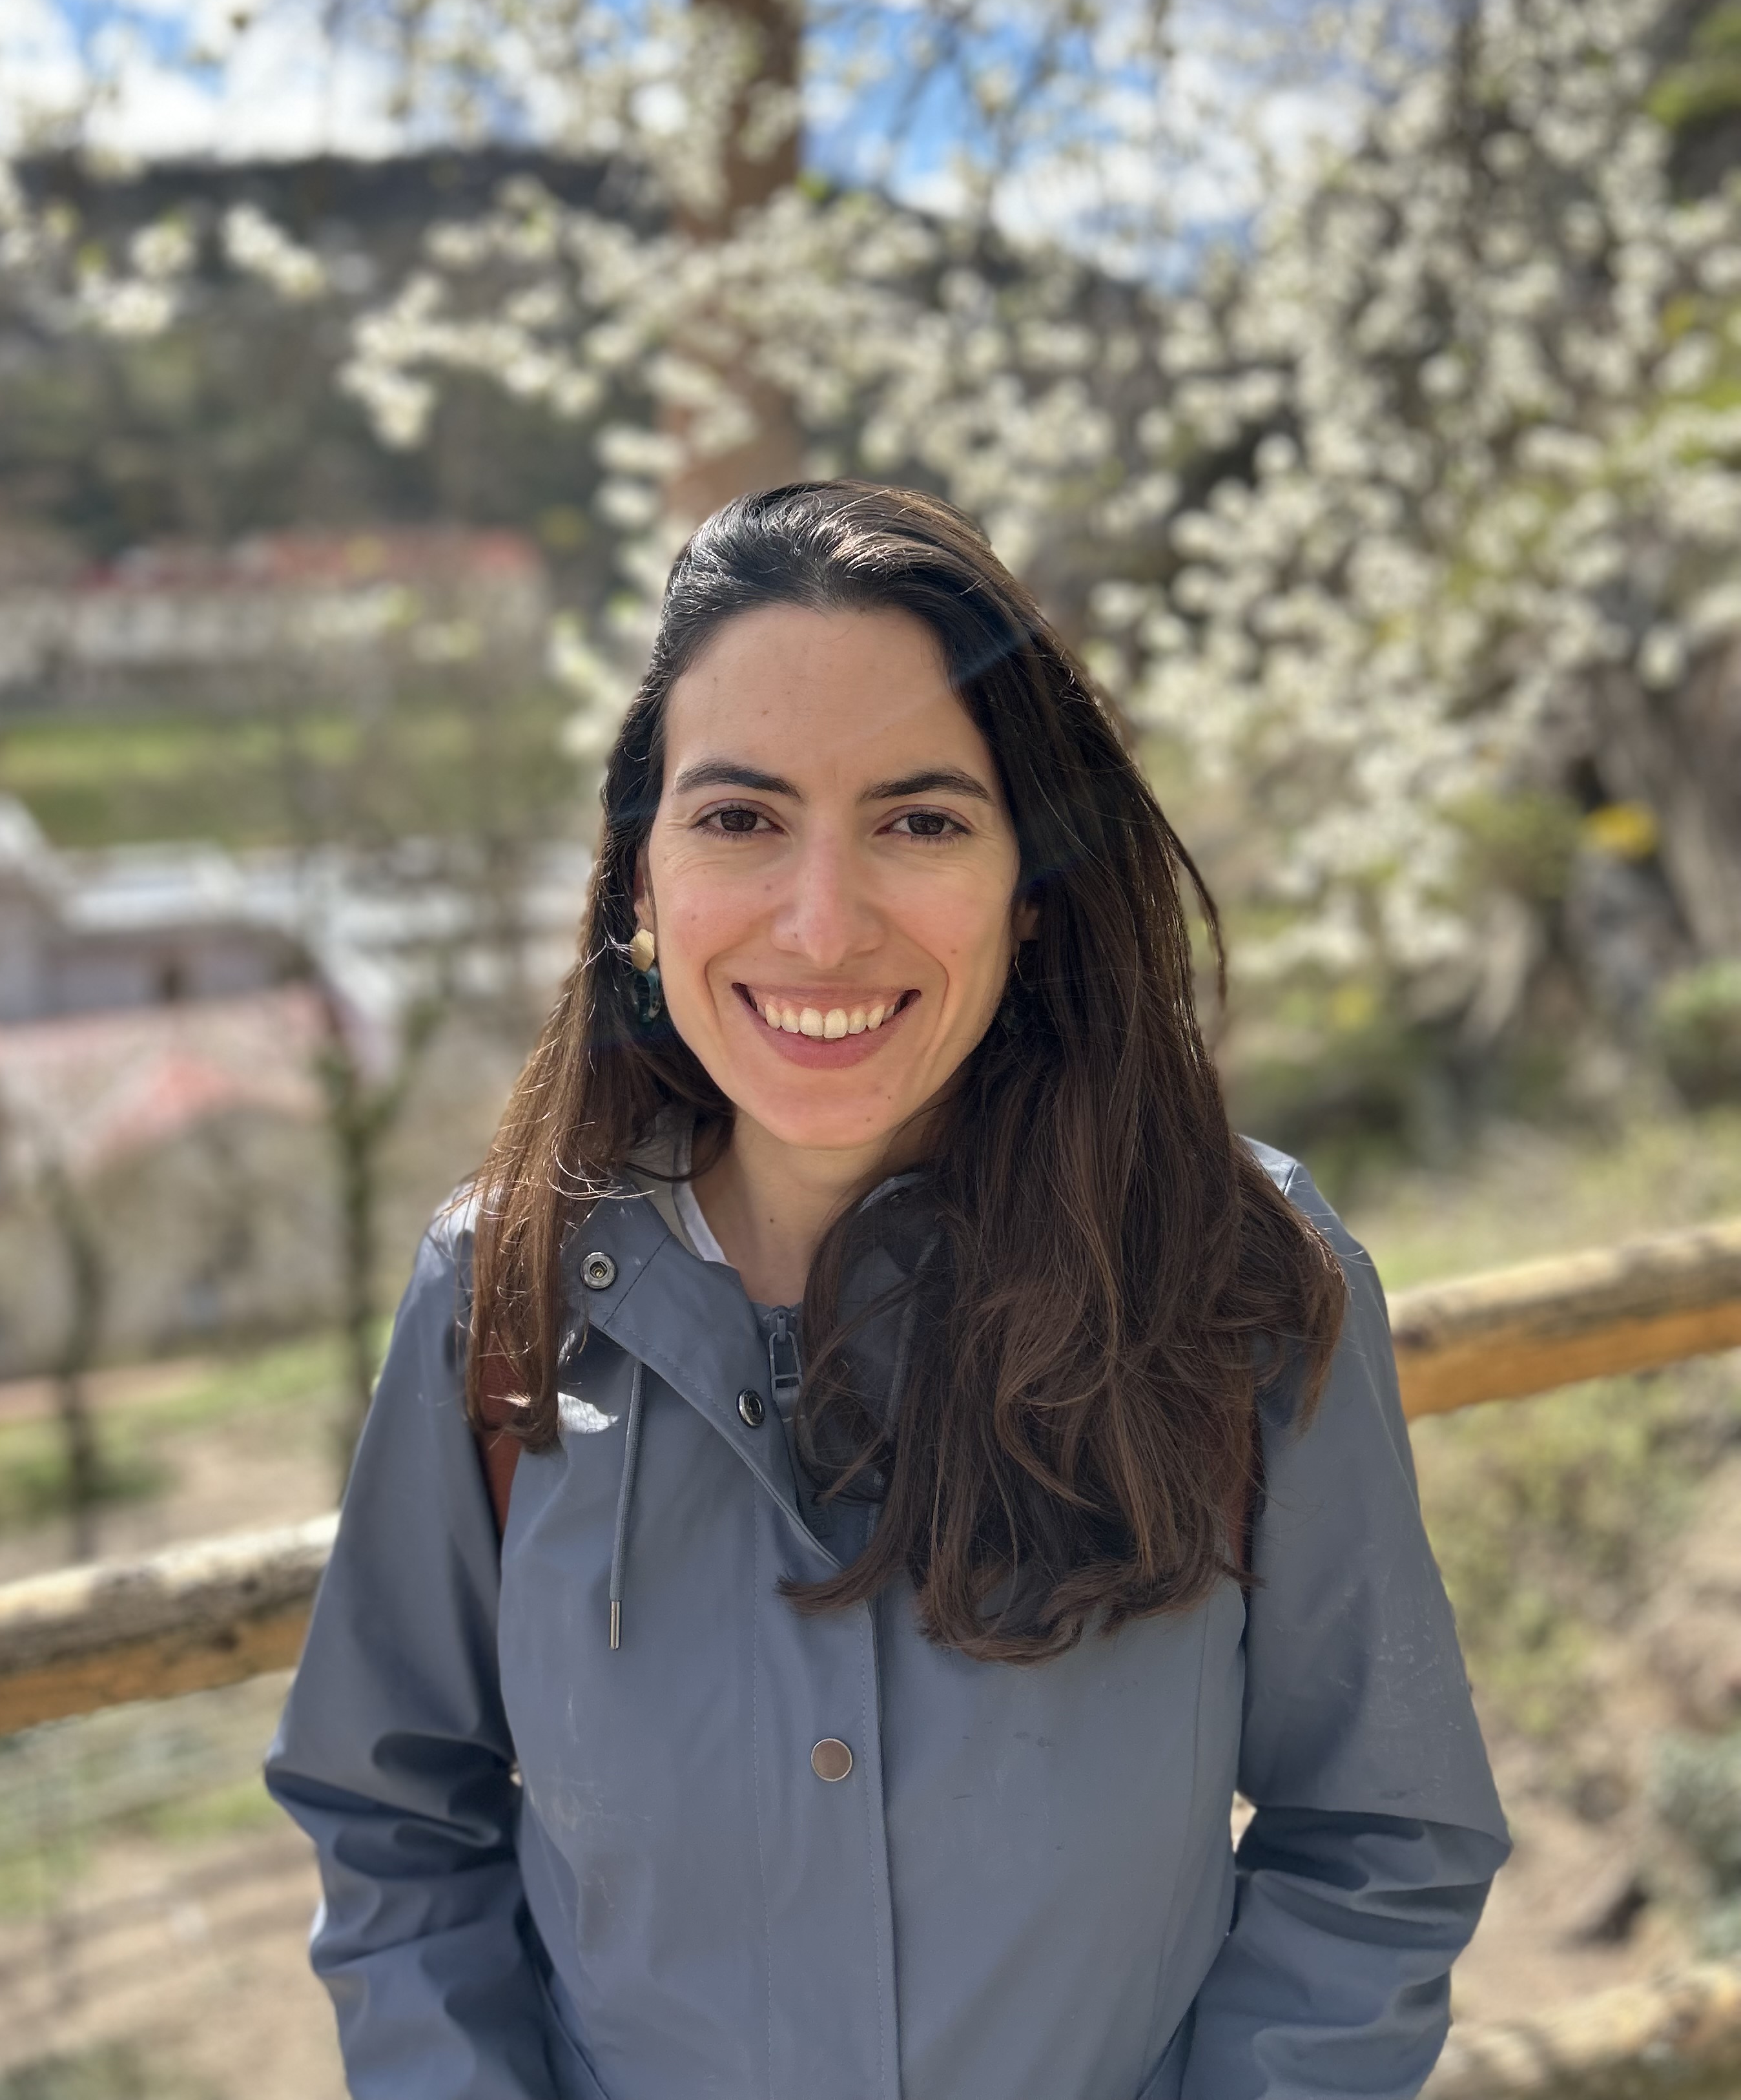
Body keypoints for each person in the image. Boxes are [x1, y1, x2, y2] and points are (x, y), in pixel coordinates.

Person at [267, 480, 1508, 2100]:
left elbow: (1377, 1839)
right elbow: (393, 1818)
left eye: (921, 821)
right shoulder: (495, 1295)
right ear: (639, 881)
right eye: (739, 819)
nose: (823, 921)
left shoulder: (1236, 1281)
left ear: (1030, 886)